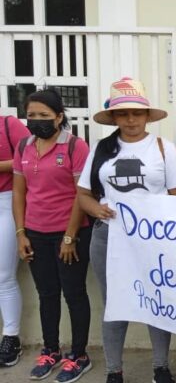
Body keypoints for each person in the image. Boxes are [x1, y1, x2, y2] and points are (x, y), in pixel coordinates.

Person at [76, 78, 176, 383]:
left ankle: (161, 367)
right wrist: (96, 209)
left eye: (137, 113)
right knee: (115, 303)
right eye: (123, 114)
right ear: (113, 118)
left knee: (157, 301)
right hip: (109, 237)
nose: (131, 119)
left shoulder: (164, 148)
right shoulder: (101, 149)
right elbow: (83, 193)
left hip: (154, 238)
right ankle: (114, 370)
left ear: (147, 115)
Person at [12, 89, 93, 382]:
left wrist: (70, 236)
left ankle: (80, 355)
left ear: (59, 117)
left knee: (74, 294)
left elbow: (81, 195)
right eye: (31, 115)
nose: (36, 121)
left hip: (70, 233)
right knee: (46, 294)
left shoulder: (75, 147)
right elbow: (19, 192)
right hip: (35, 232)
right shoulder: (23, 146)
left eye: (44, 116)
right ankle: (50, 350)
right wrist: (21, 233)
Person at [0, 114, 30, 367]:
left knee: (3, 275)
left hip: (5, 201)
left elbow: (28, 160)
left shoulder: (8, 124)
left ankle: (11, 336)